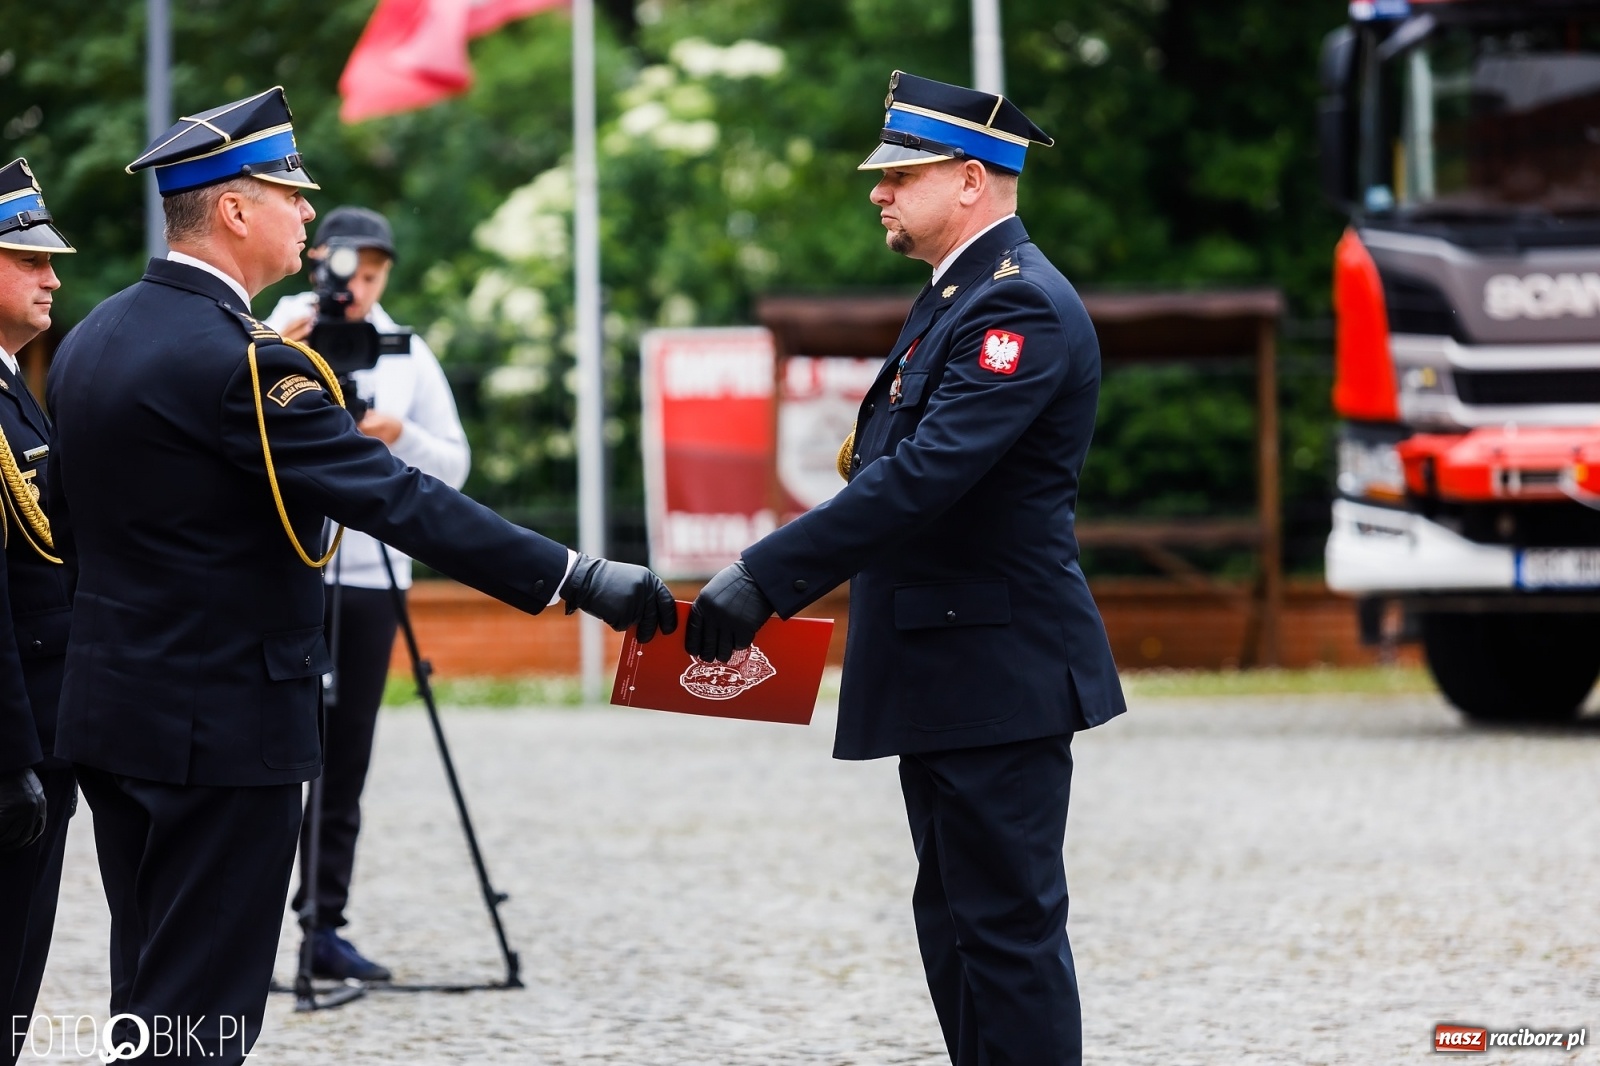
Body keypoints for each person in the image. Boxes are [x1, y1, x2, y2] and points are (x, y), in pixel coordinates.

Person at [46, 87, 673, 1065]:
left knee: (150, 989)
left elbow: (69, 528)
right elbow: (397, 498)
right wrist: (574, 574)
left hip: (113, 709)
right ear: (234, 208)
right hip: (220, 725)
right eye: (288, 194)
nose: (308, 214)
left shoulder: (91, 339)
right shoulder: (243, 362)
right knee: (203, 1011)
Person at [686, 71, 1127, 1066]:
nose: (878, 191)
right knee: (957, 926)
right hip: (949, 667)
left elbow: (923, 477)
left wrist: (763, 576)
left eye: (901, 174)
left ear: (971, 180)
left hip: (994, 671)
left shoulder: (1020, 310)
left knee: (1004, 936)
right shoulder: (955, 299)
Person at [263, 205, 467, 983]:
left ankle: (324, 922)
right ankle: (248, 917)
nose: (363, 285)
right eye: (353, 267)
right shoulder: (275, 330)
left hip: (370, 577)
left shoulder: (406, 351)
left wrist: (393, 434)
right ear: (321, 259)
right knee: (273, 747)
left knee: (345, 757)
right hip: (289, 568)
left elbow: (454, 465)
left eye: (377, 272)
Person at [0, 158, 75, 1064]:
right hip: (14, 744)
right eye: (29, 259)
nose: (54, 275)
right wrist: (14, 758)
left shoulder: (17, 385)